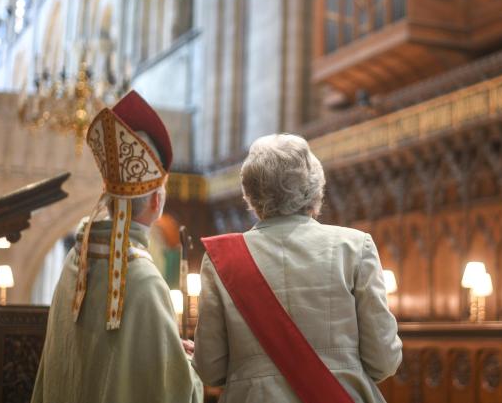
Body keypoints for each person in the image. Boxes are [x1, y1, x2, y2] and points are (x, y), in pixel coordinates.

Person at [193, 133, 402, 403]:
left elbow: (210, 370)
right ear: (315, 187)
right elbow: (384, 361)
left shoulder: (222, 260)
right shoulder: (354, 248)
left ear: (249, 192)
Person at [31, 90, 203, 403]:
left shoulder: (75, 261)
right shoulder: (144, 280)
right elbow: (176, 392)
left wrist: (166, 347)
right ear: (156, 201)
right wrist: (187, 364)